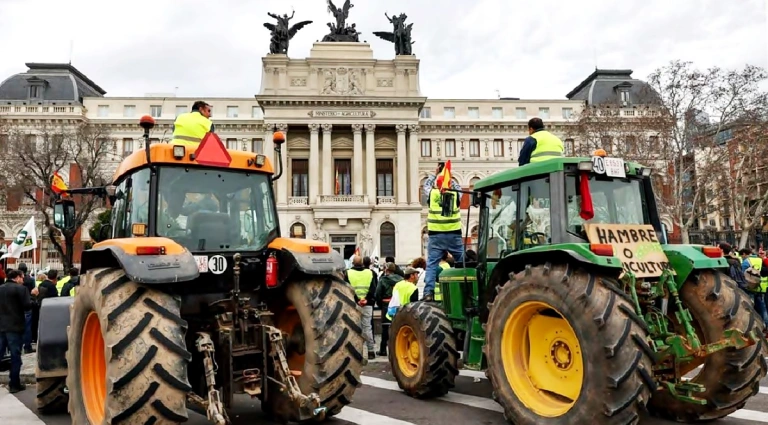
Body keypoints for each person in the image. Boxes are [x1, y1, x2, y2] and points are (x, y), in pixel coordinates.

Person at [422, 175, 465, 301]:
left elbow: (426, 185)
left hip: (436, 236)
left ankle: (428, 293)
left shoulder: (433, 193)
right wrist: (449, 176)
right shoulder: (455, 194)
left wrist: (435, 174)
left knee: (431, 264)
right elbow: (458, 187)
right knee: (464, 262)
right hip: (454, 235)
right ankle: (468, 288)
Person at [0, 270, 36, 393]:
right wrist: (33, 296)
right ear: (17, 278)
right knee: (15, 357)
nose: (23, 280)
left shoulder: (1, 288)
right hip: (14, 327)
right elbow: (27, 306)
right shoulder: (21, 289)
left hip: (1, 327)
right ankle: (14, 384)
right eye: (22, 277)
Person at [345, 255, 377, 360]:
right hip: (367, 304)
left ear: (353, 263)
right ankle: (371, 351)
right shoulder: (370, 273)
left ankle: (358, 351)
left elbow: (347, 289)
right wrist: (366, 299)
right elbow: (373, 288)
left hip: (353, 305)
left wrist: (357, 300)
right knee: (367, 327)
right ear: (362, 263)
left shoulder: (348, 273)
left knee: (354, 328)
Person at [375, 262, 403, 356]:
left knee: (385, 328)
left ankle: (383, 350)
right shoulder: (401, 280)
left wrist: (380, 304)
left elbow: (378, 294)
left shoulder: (383, 280)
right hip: (399, 305)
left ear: (386, 270)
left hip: (386, 304)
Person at [17, 263, 35, 353]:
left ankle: (19, 345)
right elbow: (33, 291)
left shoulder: (17, 280)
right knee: (27, 327)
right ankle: (27, 346)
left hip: (17, 305)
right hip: (27, 304)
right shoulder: (30, 280)